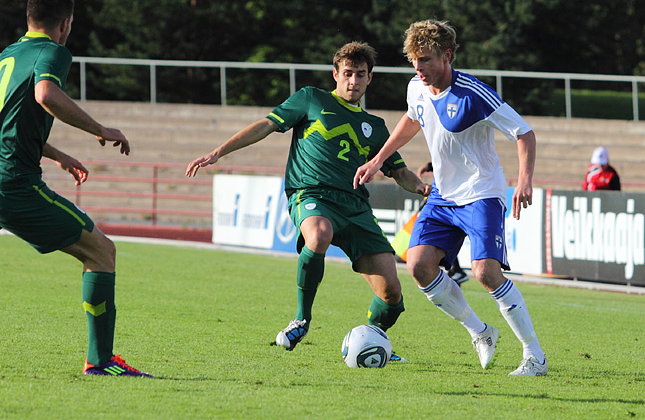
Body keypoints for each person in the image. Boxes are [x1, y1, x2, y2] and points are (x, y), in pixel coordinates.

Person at [186, 41, 430, 357]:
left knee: (392, 294)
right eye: (347, 74)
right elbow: (266, 125)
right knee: (318, 234)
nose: (353, 81)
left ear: (370, 78)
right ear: (335, 74)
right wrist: (219, 151)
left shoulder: (377, 128)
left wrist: (425, 188)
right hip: (312, 193)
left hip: (355, 206)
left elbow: (400, 173)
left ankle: (372, 339)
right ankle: (301, 319)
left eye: (360, 75)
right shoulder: (310, 99)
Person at [354, 19, 547, 376]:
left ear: (447, 56)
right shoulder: (416, 86)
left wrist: (524, 181)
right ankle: (481, 332)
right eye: (413, 60)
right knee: (418, 266)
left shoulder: (473, 93)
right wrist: (378, 159)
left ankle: (534, 356)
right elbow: (413, 120)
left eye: (425, 59)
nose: (418, 67)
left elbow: (524, 132)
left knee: (485, 273)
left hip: (481, 193)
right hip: (443, 195)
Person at [0, 0, 151, 377]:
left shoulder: (8, 55)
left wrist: (58, 154)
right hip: (13, 183)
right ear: (65, 23)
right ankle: (100, 361)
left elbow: (8, 125)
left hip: (7, 174)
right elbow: (46, 94)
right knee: (102, 251)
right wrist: (100, 128)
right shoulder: (53, 51)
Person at [417, 161, 469, 286]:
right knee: (442, 239)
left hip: (450, 198)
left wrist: (428, 166)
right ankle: (455, 270)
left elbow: (446, 159)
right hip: (447, 197)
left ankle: (456, 270)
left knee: (439, 238)